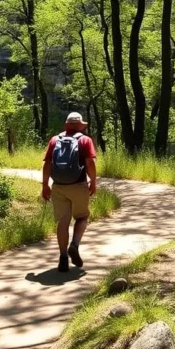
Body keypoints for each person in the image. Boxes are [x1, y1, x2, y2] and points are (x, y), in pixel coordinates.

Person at [42, 112, 98, 272]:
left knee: (63, 221)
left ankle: (63, 258)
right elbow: (90, 162)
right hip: (79, 184)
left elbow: (47, 164)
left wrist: (45, 185)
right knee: (82, 217)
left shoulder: (54, 140)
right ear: (80, 126)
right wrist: (93, 181)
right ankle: (74, 244)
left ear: (66, 125)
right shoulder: (85, 140)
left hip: (59, 186)